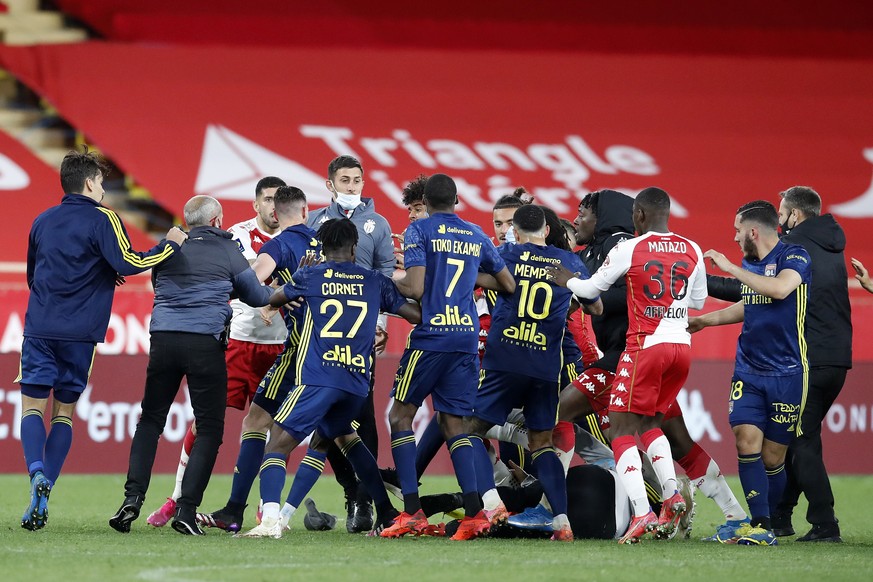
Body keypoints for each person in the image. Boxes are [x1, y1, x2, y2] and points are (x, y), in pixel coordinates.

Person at [17, 147, 185, 530]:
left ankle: (36, 475)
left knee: (31, 409)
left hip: (40, 326)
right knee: (63, 412)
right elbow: (130, 262)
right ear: (91, 182)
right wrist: (170, 245)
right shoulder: (103, 218)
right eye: (103, 182)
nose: (105, 190)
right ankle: (48, 488)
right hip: (81, 333)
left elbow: (32, 275)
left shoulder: (42, 220)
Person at [236, 218, 422, 538]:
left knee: (278, 442)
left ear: (322, 249)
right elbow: (413, 315)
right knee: (345, 437)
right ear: (354, 249)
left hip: (319, 378)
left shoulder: (311, 275)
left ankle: (269, 521)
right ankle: (388, 511)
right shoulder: (374, 280)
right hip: (356, 383)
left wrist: (287, 282)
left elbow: (271, 298)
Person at [548, 186, 708, 544]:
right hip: (681, 348)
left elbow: (590, 291)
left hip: (643, 348)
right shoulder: (692, 248)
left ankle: (642, 512)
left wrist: (566, 280)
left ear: (638, 215)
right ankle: (672, 495)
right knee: (652, 424)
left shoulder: (629, 248)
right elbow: (697, 301)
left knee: (619, 432)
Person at [109, 195, 273, 535]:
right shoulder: (229, 251)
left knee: (150, 421)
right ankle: (186, 511)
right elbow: (257, 296)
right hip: (205, 344)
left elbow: (158, 284)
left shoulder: (168, 246)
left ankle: (132, 499)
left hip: (164, 339)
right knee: (210, 428)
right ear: (217, 221)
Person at [145, 176, 288, 527]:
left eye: (279, 201)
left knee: (273, 429)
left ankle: (260, 505)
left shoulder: (300, 239)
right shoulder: (235, 237)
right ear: (256, 204)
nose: (274, 207)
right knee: (205, 420)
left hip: (281, 346)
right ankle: (176, 499)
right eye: (268, 200)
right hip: (238, 341)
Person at [380, 173, 515, 541]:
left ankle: (410, 511)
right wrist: (471, 274)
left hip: (432, 337)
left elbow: (415, 287)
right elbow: (508, 285)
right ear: (457, 201)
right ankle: (474, 514)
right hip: (467, 340)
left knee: (400, 415)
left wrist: (383, 276)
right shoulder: (475, 233)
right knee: (455, 423)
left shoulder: (419, 232)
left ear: (427, 201)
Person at [466, 205, 602, 542]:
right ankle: (561, 521)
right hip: (545, 366)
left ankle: (491, 501)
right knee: (542, 442)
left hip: (504, 360)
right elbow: (595, 306)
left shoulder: (506, 253)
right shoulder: (567, 261)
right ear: (545, 230)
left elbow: (477, 278)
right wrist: (564, 304)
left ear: (516, 230)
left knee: (468, 430)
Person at [197, 185, 320, 532]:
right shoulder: (327, 244)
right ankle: (386, 510)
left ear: (277, 216)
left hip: (299, 348)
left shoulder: (279, 244)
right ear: (307, 212)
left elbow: (253, 279)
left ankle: (246, 511)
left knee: (257, 424)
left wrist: (216, 288)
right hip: (340, 352)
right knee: (339, 435)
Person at [689, 200, 811, 547]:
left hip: (787, 373)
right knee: (745, 440)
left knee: (774, 457)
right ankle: (758, 525)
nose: (734, 237)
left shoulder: (795, 257)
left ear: (753, 232)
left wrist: (729, 267)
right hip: (749, 370)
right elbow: (751, 302)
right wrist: (705, 320)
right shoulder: (752, 265)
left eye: (737, 230)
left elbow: (779, 290)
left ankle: (772, 521)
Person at [307, 155, 394, 532]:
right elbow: (306, 270)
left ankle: (365, 501)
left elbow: (386, 275)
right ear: (330, 184)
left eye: (357, 180)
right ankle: (351, 491)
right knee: (329, 418)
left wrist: (379, 323)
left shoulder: (379, 224)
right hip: (322, 338)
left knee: (364, 418)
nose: (352, 186)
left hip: (361, 338)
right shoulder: (314, 221)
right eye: (345, 180)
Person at [769, 186, 852, 543]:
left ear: (796, 215)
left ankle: (825, 522)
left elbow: (769, 291)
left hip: (810, 358)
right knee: (793, 435)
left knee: (802, 440)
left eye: (781, 212)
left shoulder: (794, 249)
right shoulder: (831, 245)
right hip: (836, 358)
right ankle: (781, 516)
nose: (778, 219)